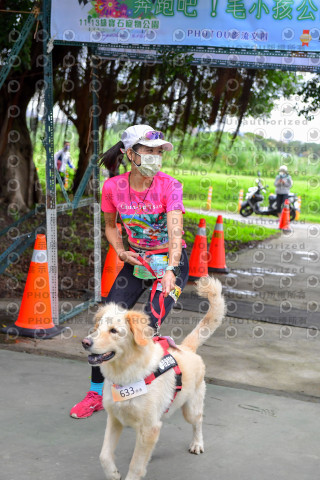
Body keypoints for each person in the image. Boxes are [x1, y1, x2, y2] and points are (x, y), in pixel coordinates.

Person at [70, 124, 189, 419]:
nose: (155, 156)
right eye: (148, 151)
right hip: (137, 264)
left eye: (158, 151)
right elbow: (111, 226)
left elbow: (176, 232)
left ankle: (148, 392)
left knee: (145, 326)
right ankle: (95, 395)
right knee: (105, 324)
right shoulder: (112, 188)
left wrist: (171, 270)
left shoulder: (170, 186)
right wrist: (122, 252)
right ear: (129, 154)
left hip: (171, 262)